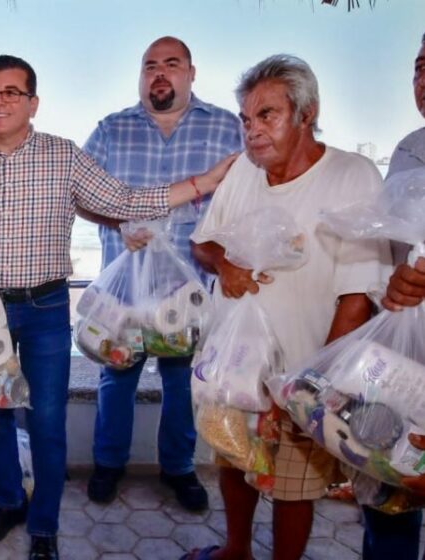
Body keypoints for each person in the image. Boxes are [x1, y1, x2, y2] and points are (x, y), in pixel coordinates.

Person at [0, 54, 236, 560]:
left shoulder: (62, 155)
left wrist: (203, 183)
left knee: (46, 420)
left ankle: (44, 524)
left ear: (33, 103)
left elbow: (124, 199)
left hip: (47, 308)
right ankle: (8, 503)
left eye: (11, 92)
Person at [187, 54, 391, 560]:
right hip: (235, 364)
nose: (252, 131)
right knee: (234, 461)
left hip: (306, 370)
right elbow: (202, 244)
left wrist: (306, 388)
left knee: (293, 486)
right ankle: (236, 550)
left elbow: (356, 297)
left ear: (306, 114)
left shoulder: (352, 175)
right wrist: (225, 267)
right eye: (247, 119)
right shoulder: (244, 174)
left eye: (267, 115)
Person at [78, 36, 243, 509]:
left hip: (191, 286)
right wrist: (119, 219)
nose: (160, 73)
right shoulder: (111, 130)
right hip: (124, 289)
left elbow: (246, 198)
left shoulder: (225, 129)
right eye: (150, 65)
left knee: (182, 379)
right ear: (141, 75)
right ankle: (109, 464)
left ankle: (180, 468)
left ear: (191, 72)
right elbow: (82, 197)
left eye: (172, 64)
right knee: (117, 375)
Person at [359, 32, 425, 560]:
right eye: (420, 66)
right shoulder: (408, 148)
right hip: (407, 347)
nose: (423, 79)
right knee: (391, 489)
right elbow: (391, 245)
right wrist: (394, 278)